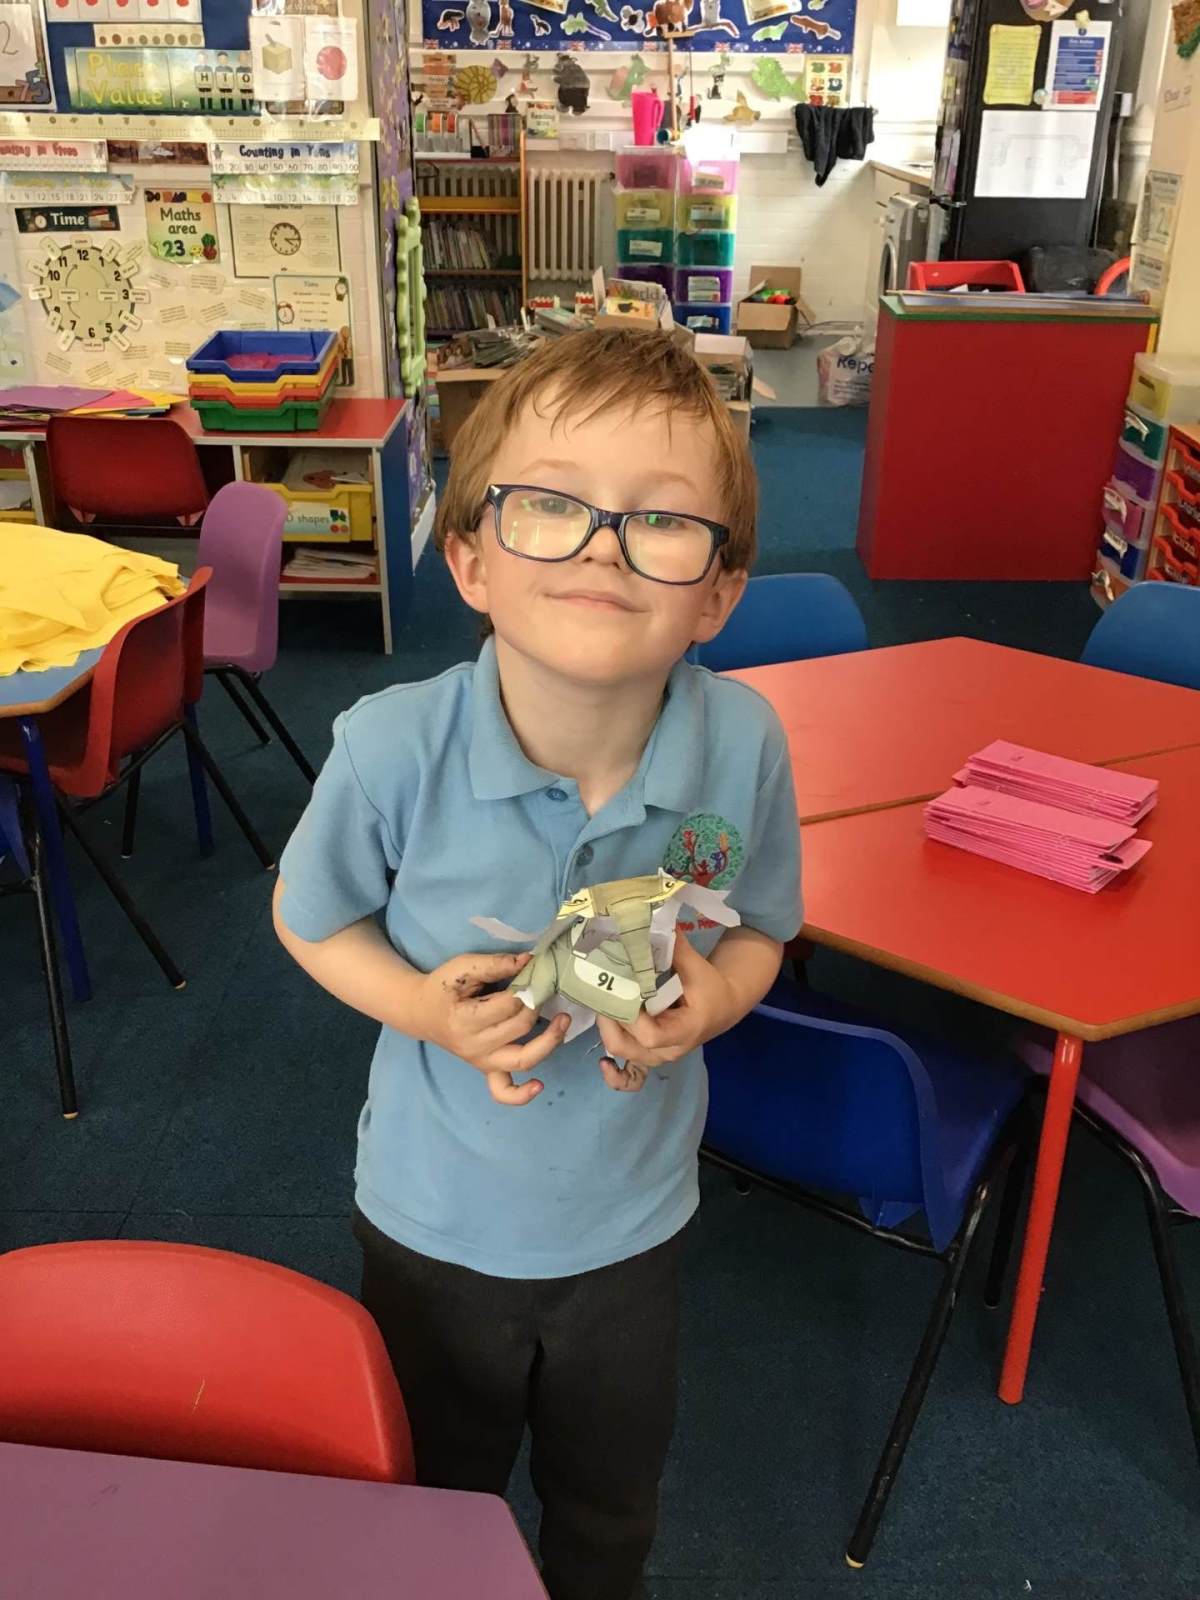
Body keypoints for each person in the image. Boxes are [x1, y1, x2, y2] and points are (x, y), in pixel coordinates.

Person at [273, 326, 802, 1600]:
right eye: (551, 505)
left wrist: (711, 1003)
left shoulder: (743, 742)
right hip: (434, 1221)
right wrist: (421, 1007)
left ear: (717, 593)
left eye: (661, 519)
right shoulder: (390, 748)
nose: (604, 547)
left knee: (609, 1512)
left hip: (632, 1224)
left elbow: (760, 927)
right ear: (470, 557)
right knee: (432, 1499)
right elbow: (308, 915)